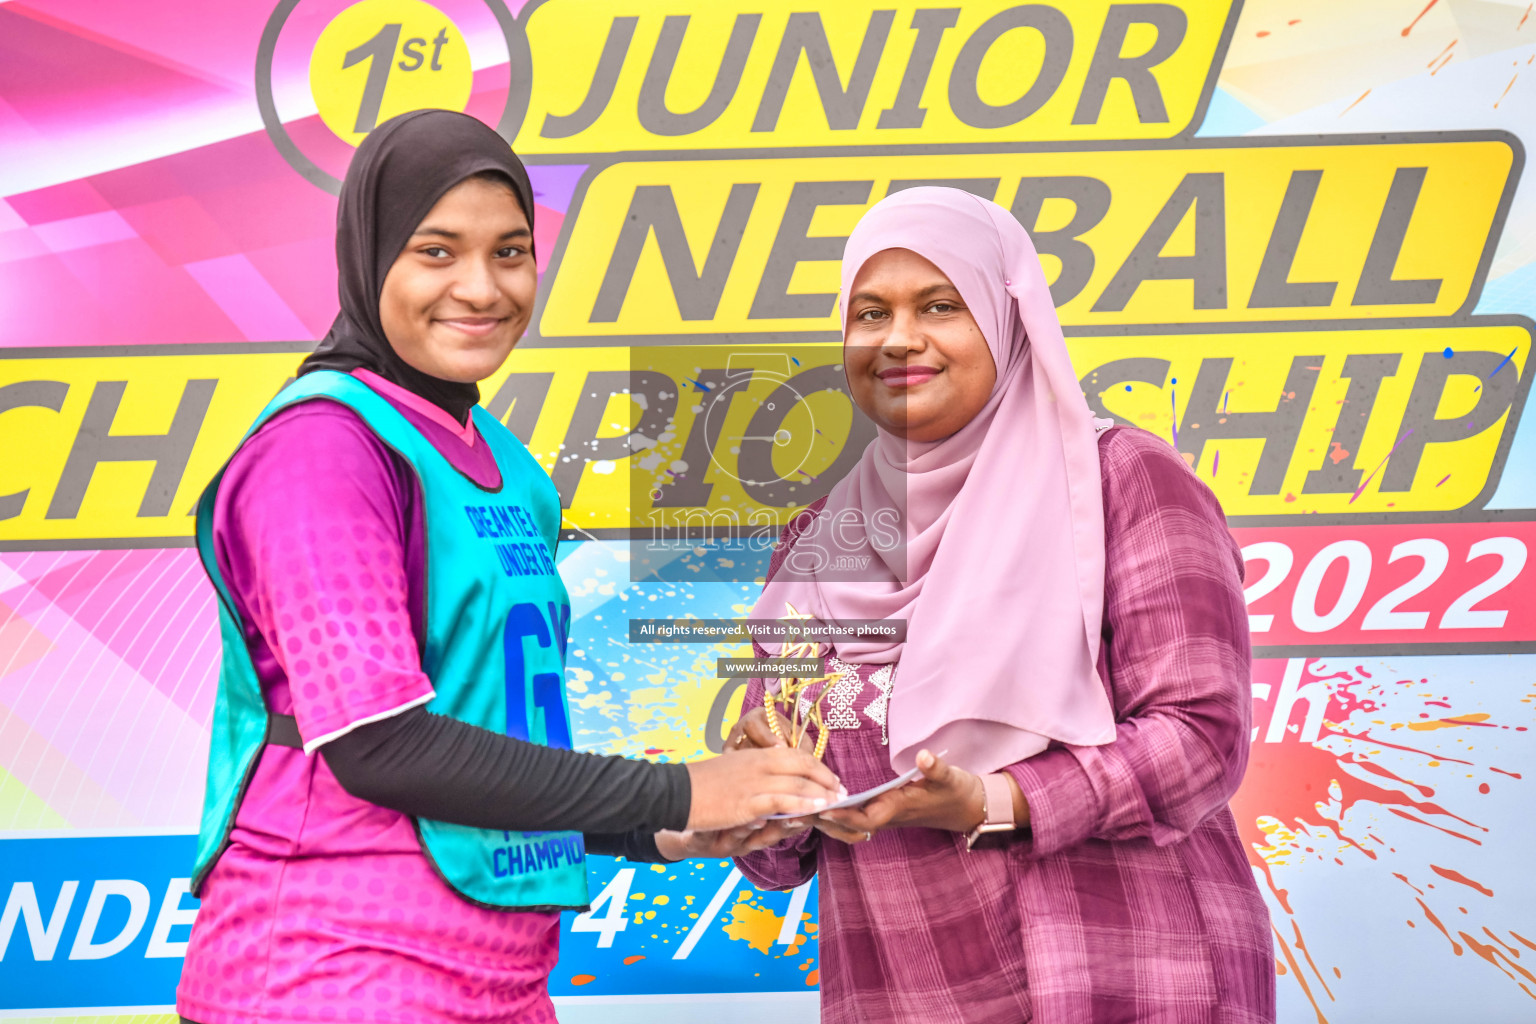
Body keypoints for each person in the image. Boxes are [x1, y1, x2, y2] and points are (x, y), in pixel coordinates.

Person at [176, 110, 840, 1024]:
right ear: (370, 259)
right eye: (437, 252)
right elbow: (379, 744)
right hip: (332, 967)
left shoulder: (503, 462)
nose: (482, 288)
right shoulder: (321, 451)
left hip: (497, 978)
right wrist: (678, 785)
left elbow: (493, 733)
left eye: (511, 251)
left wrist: (669, 825)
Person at [727, 187, 1274, 1023]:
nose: (899, 338)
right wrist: (761, 792)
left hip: (1127, 979)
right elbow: (778, 857)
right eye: (869, 313)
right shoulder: (815, 546)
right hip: (906, 990)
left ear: (1009, 318)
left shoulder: (1118, 480)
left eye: (940, 306)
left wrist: (995, 801)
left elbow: (1201, 737)